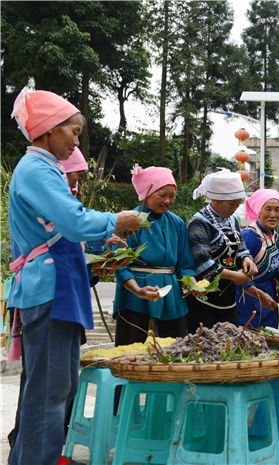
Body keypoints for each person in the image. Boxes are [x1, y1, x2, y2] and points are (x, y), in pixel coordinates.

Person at [7, 87, 142, 465]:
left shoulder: (42, 169)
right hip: (49, 290)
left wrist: (104, 234)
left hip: (59, 290)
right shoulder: (36, 168)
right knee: (49, 394)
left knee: (60, 390)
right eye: (73, 132)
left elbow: (66, 227)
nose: (76, 141)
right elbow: (72, 221)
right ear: (49, 130)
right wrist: (115, 219)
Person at [114, 165, 204, 345]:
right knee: (130, 348)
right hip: (135, 293)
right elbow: (120, 263)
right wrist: (136, 290)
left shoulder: (177, 223)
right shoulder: (130, 220)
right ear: (146, 193)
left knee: (173, 348)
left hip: (171, 295)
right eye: (162, 195)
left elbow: (185, 265)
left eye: (172, 196)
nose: (168, 201)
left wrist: (191, 283)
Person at [186, 169, 257, 333]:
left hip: (228, 298)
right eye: (231, 204)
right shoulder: (199, 222)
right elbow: (202, 262)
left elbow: (241, 248)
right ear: (216, 199)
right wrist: (235, 276)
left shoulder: (232, 220)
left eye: (238, 203)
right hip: (204, 298)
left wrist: (247, 260)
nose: (235, 208)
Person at [235, 188, 279, 329]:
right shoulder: (250, 236)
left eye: (277, 209)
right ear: (258, 210)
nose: (273, 215)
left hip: (269, 299)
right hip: (250, 301)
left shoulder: (275, 236)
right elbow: (237, 274)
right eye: (268, 209)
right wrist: (258, 295)